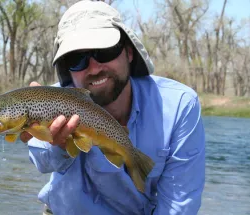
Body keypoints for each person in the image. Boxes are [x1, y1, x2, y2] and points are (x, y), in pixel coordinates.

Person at [20, 1, 205, 215]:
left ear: (129, 52)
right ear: (67, 70)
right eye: (77, 59)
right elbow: (42, 162)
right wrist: (58, 145)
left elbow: (178, 205)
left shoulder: (179, 106)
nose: (94, 67)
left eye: (104, 51)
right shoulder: (48, 101)